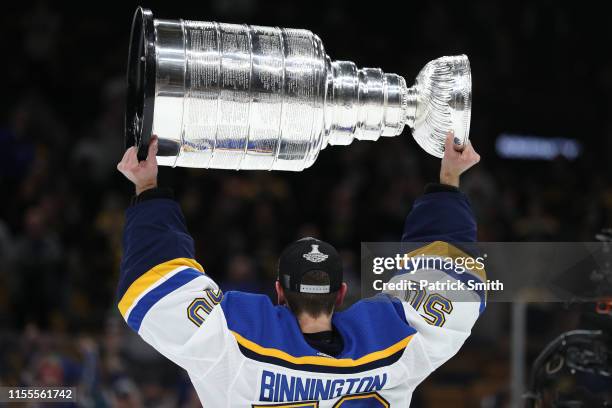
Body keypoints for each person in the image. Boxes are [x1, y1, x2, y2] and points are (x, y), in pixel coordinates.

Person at [116, 133, 483, 406]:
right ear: (341, 295)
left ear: (278, 292)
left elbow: (153, 289)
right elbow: (452, 279)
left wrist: (148, 188)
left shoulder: (229, 347)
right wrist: (449, 179)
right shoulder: (398, 346)